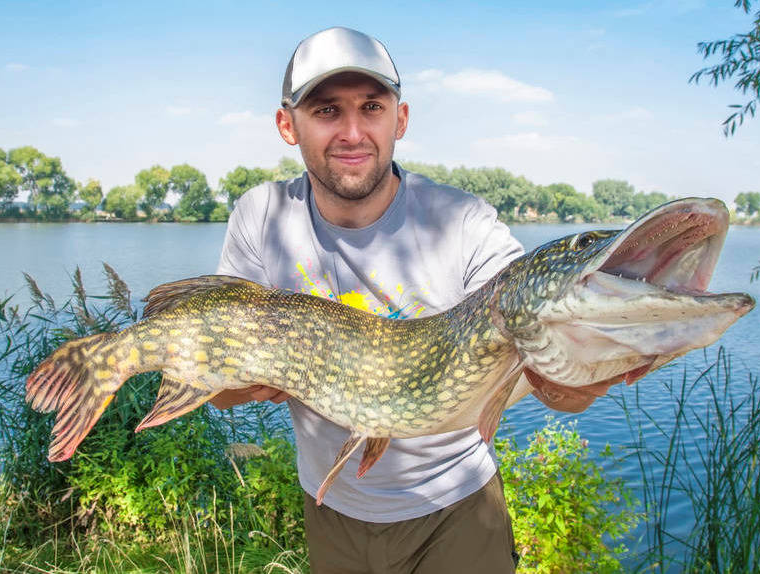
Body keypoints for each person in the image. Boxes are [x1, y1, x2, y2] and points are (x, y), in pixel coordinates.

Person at [211, 26, 612, 573]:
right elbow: (219, 395)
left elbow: (559, 386)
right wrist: (243, 379)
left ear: (399, 118)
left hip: (456, 512)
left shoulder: (464, 222)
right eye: (327, 111)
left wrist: (589, 371)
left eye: (371, 107)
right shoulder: (260, 218)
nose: (353, 132)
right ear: (288, 124)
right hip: (330, 507)